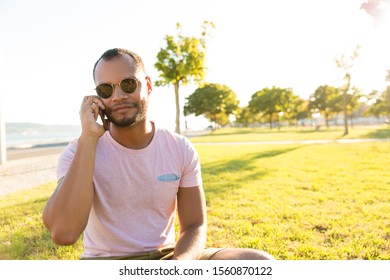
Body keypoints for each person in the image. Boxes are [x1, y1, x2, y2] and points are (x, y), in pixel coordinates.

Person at [42, 48, 274, 260]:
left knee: (259, 263)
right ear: (97, 97)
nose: (118, 95)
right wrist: (89, 139)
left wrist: (179, 265)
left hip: (169, 256)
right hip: (107, 262)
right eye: (106, 89)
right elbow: (64, 233)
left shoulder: (179, 147)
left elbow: (194, 224)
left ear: (148, 86)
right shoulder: (79, 151)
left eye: (128, 84)